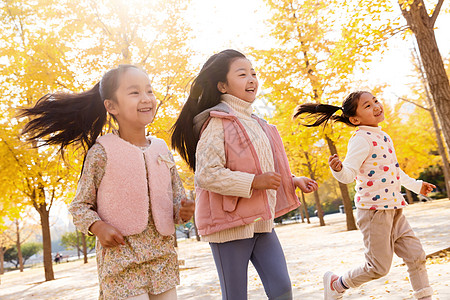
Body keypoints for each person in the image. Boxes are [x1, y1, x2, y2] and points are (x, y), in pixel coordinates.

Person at [21, 64, 194, 300]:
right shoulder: (102, 152)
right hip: (122, 263)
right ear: (111, 106)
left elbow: (175, 201)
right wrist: (98, 227)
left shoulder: (162, 149)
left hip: (162, 260)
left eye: (149, 91)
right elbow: (80, 206)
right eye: (134, 92)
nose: (146, 98)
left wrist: (183, 211)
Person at [171, 49, 318, 300]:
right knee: (236, 296)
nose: (251, 79)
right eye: (242, 74)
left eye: (253, 73)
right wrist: (254, 182)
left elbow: (261, 167)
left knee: (282, 289)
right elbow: (206, 174)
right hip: (228, 225)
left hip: (261, 220)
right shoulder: (217, 122)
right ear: (222, 85)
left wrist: (292, 180)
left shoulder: (258, 123)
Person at [294, 91, 435, 300]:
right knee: (378, 267)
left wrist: (416, 186)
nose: (376, 106)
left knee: (416, 256)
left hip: (395, 208)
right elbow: (348, 174)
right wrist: (338, 169)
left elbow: (395, 171)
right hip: (373, 212)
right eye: (367, 105)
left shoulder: (384, 136)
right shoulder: (361, 139)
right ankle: (337, 284)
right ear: (355, 119)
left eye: (376, 101)